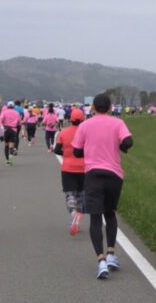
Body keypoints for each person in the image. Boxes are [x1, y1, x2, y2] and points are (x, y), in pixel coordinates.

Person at [71, 93, 133, 279]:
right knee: (110, 213)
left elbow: (76, 151)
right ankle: (112, 253)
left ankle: (101, 261)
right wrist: (121, 147)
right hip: (114, 175)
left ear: (93, 108)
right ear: (110, 107)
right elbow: (128, 141)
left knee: (96, 218)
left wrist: (88, 151)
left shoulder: (84, 125)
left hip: (93, 174)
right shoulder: (118, 123)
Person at [53, 107, 86, 236]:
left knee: (70, 194)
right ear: (83, 120)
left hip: (68, 167)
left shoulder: (64, 132)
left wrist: (67, 153)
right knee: (81, 194)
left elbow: (57, 150)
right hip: (84, 167)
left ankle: (73, 213)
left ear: (70, 119)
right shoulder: (86, 133)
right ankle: (78, 215)